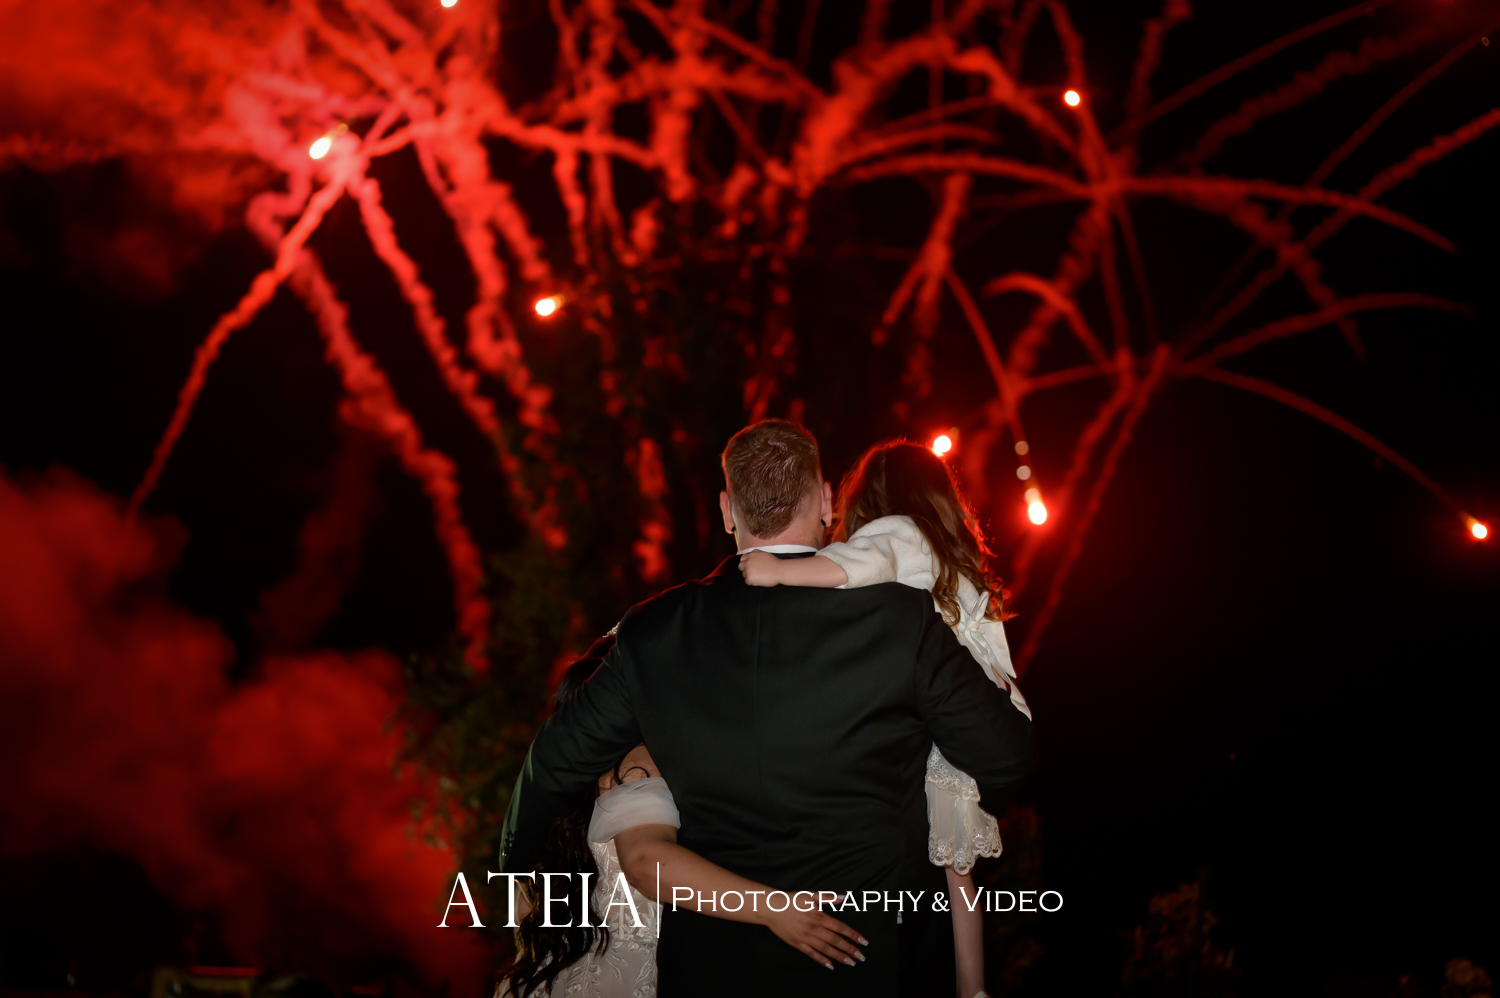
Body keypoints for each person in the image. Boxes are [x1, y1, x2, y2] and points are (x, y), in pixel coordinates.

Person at [499, 419, 1035, 997]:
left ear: (728, 511)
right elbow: (1005, 755)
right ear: (826, 501)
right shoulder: (900, 619)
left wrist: (514, 869)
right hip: (872, 962)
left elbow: (553, 763)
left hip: (713, 973)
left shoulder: (655, 632)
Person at [740, 440, 1031, 998]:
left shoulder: (896, 532)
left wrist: (778, 571)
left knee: (942, 859)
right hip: (982, 711)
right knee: (955, 867)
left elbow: (859, 564)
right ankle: (972, 986)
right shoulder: (945, 553)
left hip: (954, 719)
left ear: (870, 499)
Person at [500, 640, 867, 997]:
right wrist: (775, 910)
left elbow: (523, 908)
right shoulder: (638, 760)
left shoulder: (567, 786)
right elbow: (644, 860)